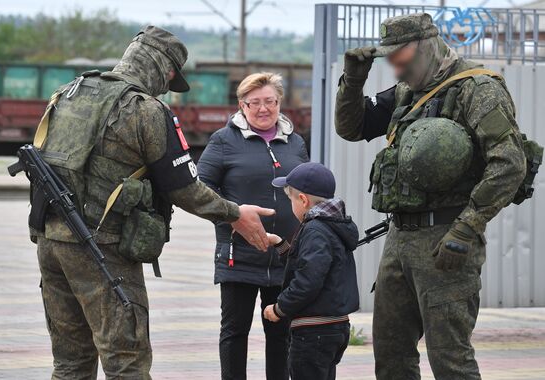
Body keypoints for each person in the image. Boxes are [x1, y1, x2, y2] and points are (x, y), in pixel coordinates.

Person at [33, 26, 274, 379]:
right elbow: (184, 189)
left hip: (51, 244)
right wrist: (235, 214)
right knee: (127, 363)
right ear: (163, 69)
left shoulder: (69, 92)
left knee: (70, 364)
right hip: (103, 251)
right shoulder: (145, 110)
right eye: (170, 78)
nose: (166, 88)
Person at [334, 13, 527, 380]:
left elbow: (509, 164)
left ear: (425, 45)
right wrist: (353, 81)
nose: (395, 70)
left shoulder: (478, 88)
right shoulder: (408, 91)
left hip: (446, 242)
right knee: (390, 355)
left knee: (449, 358)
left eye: (399, 59)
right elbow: (352, 128)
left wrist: (466, 228)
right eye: (389, 60)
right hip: (400, 239)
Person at [197, 72, 309, 380]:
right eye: (254, 102)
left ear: (279, 103)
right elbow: (199, 188)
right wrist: (232, 213)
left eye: (270, 101)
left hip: (286, 255)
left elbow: (306, 192)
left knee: (281, 334)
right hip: (239, 255)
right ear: (242, 105)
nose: (263, 109)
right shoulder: (223, 140)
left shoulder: (295, 142)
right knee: (235, 333)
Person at [263, 162, 360, 380]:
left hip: (313, 331)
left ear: (303, 200)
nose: (291, 205)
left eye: (290, 199)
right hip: (334, 327)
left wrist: (279, 308)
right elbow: (314, 266)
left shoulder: (315, 229)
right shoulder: (334, 225)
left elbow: (308, 281)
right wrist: (280, 245)